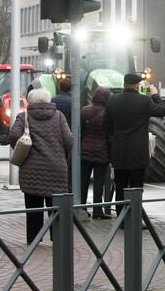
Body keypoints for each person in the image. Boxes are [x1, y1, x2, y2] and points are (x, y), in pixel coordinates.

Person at [7, 88, 73, 244]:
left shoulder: (24, 117)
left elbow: (13, 136)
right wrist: (63, 156)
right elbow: (69, 139)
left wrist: (23, 150)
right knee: (55, 206)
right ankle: (56, 237)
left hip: (31, 169)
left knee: (33, 207)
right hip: (56, 168)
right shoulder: (58, 116)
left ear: (30, 100)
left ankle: (34, 239)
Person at [103, 74, 165, 217]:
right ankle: (135, 218)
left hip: (119, 152)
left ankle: (121, 219)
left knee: (120, 187)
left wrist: (117, 137)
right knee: (136, 188)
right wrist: (155, 95)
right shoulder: (144, 101)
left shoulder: (113, 100)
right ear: (136, 86)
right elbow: (163, 110)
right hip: (138, 153)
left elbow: (106, 126)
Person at [81, 86, 112, 218]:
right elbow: (110, 134)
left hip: (85, 152)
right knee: (99, 183)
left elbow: (80, 131)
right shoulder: (107, 114)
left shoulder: (84, 110)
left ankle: (81, 208)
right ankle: (98, 211)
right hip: (102, 152)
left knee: (83, 182)